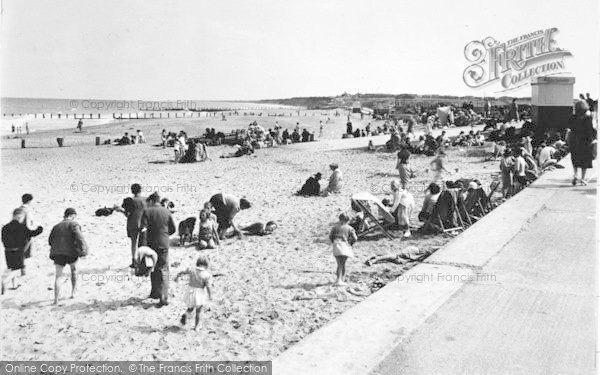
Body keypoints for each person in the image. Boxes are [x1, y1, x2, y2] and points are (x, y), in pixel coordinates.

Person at [141, 192, 177, 307]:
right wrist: (165, 235)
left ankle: (155, 292)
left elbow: (143, 230)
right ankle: (163, 296)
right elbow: (173, 229)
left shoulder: (147, 212)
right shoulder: (166, 211)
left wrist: (143, 245)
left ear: (151, 201)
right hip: (163, 243)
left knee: (153, 267)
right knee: (163, 268)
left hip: (151, 244)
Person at [49, 208, 88, 305]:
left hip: (58, 253)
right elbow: (80, 238)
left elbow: (50, 240)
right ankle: (73, 293)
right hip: (71, 252)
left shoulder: (56, 226)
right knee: (74, 271)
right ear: (73, 215)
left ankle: (56, 299)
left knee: (58, 276)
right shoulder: (74, 224)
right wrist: (84, 251)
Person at [1, 208, 43, 294]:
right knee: (16, 269)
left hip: (7, 251)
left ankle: (14, 285)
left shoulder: (5, 227)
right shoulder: (21, 227)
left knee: (11, 268)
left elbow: (3, 240)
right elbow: (33, 233)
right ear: (19, 216)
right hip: (18, 251)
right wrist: (40, 227)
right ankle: (4, 281)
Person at [175, 255, 212, 330]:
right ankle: (197, 326)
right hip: (199, 294)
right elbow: (208, 286)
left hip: (190, 292)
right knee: (199, 311)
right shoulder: (206, 275)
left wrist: (177, 276)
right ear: (206, 265)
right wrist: (210, 295)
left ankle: (186, 314)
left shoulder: (191, 269)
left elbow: (183, 272)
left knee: (190, 308)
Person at [113, 183, 147, 268]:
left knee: (134, 243)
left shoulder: (130, 201)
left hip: (133, 223)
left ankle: (134, 261)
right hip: (144, 223)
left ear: (132, 191)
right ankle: (143, 260)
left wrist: (120, 210)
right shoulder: (146, 200)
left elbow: (127, 214)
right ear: (140, 190)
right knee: (144, 243)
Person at [568, 100, 596, 185]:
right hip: (585, 142)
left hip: (574, 141)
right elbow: (591, 130)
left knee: (575, 159)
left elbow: (570, 127)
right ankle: (583, 179)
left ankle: (575, 175)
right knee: (585, 161)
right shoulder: (588, 118)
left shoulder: (572, 117)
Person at [329, 213, 357, 286]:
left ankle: (338, 279)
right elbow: (355, 238)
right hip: (344, 245)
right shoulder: (350, 228)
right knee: (343, 264)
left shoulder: (334, 227)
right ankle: (341, 279)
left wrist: (334, 242)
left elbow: (331, 236)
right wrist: (350, 243)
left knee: (339, 263)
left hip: (336, 245)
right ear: (347, 220)